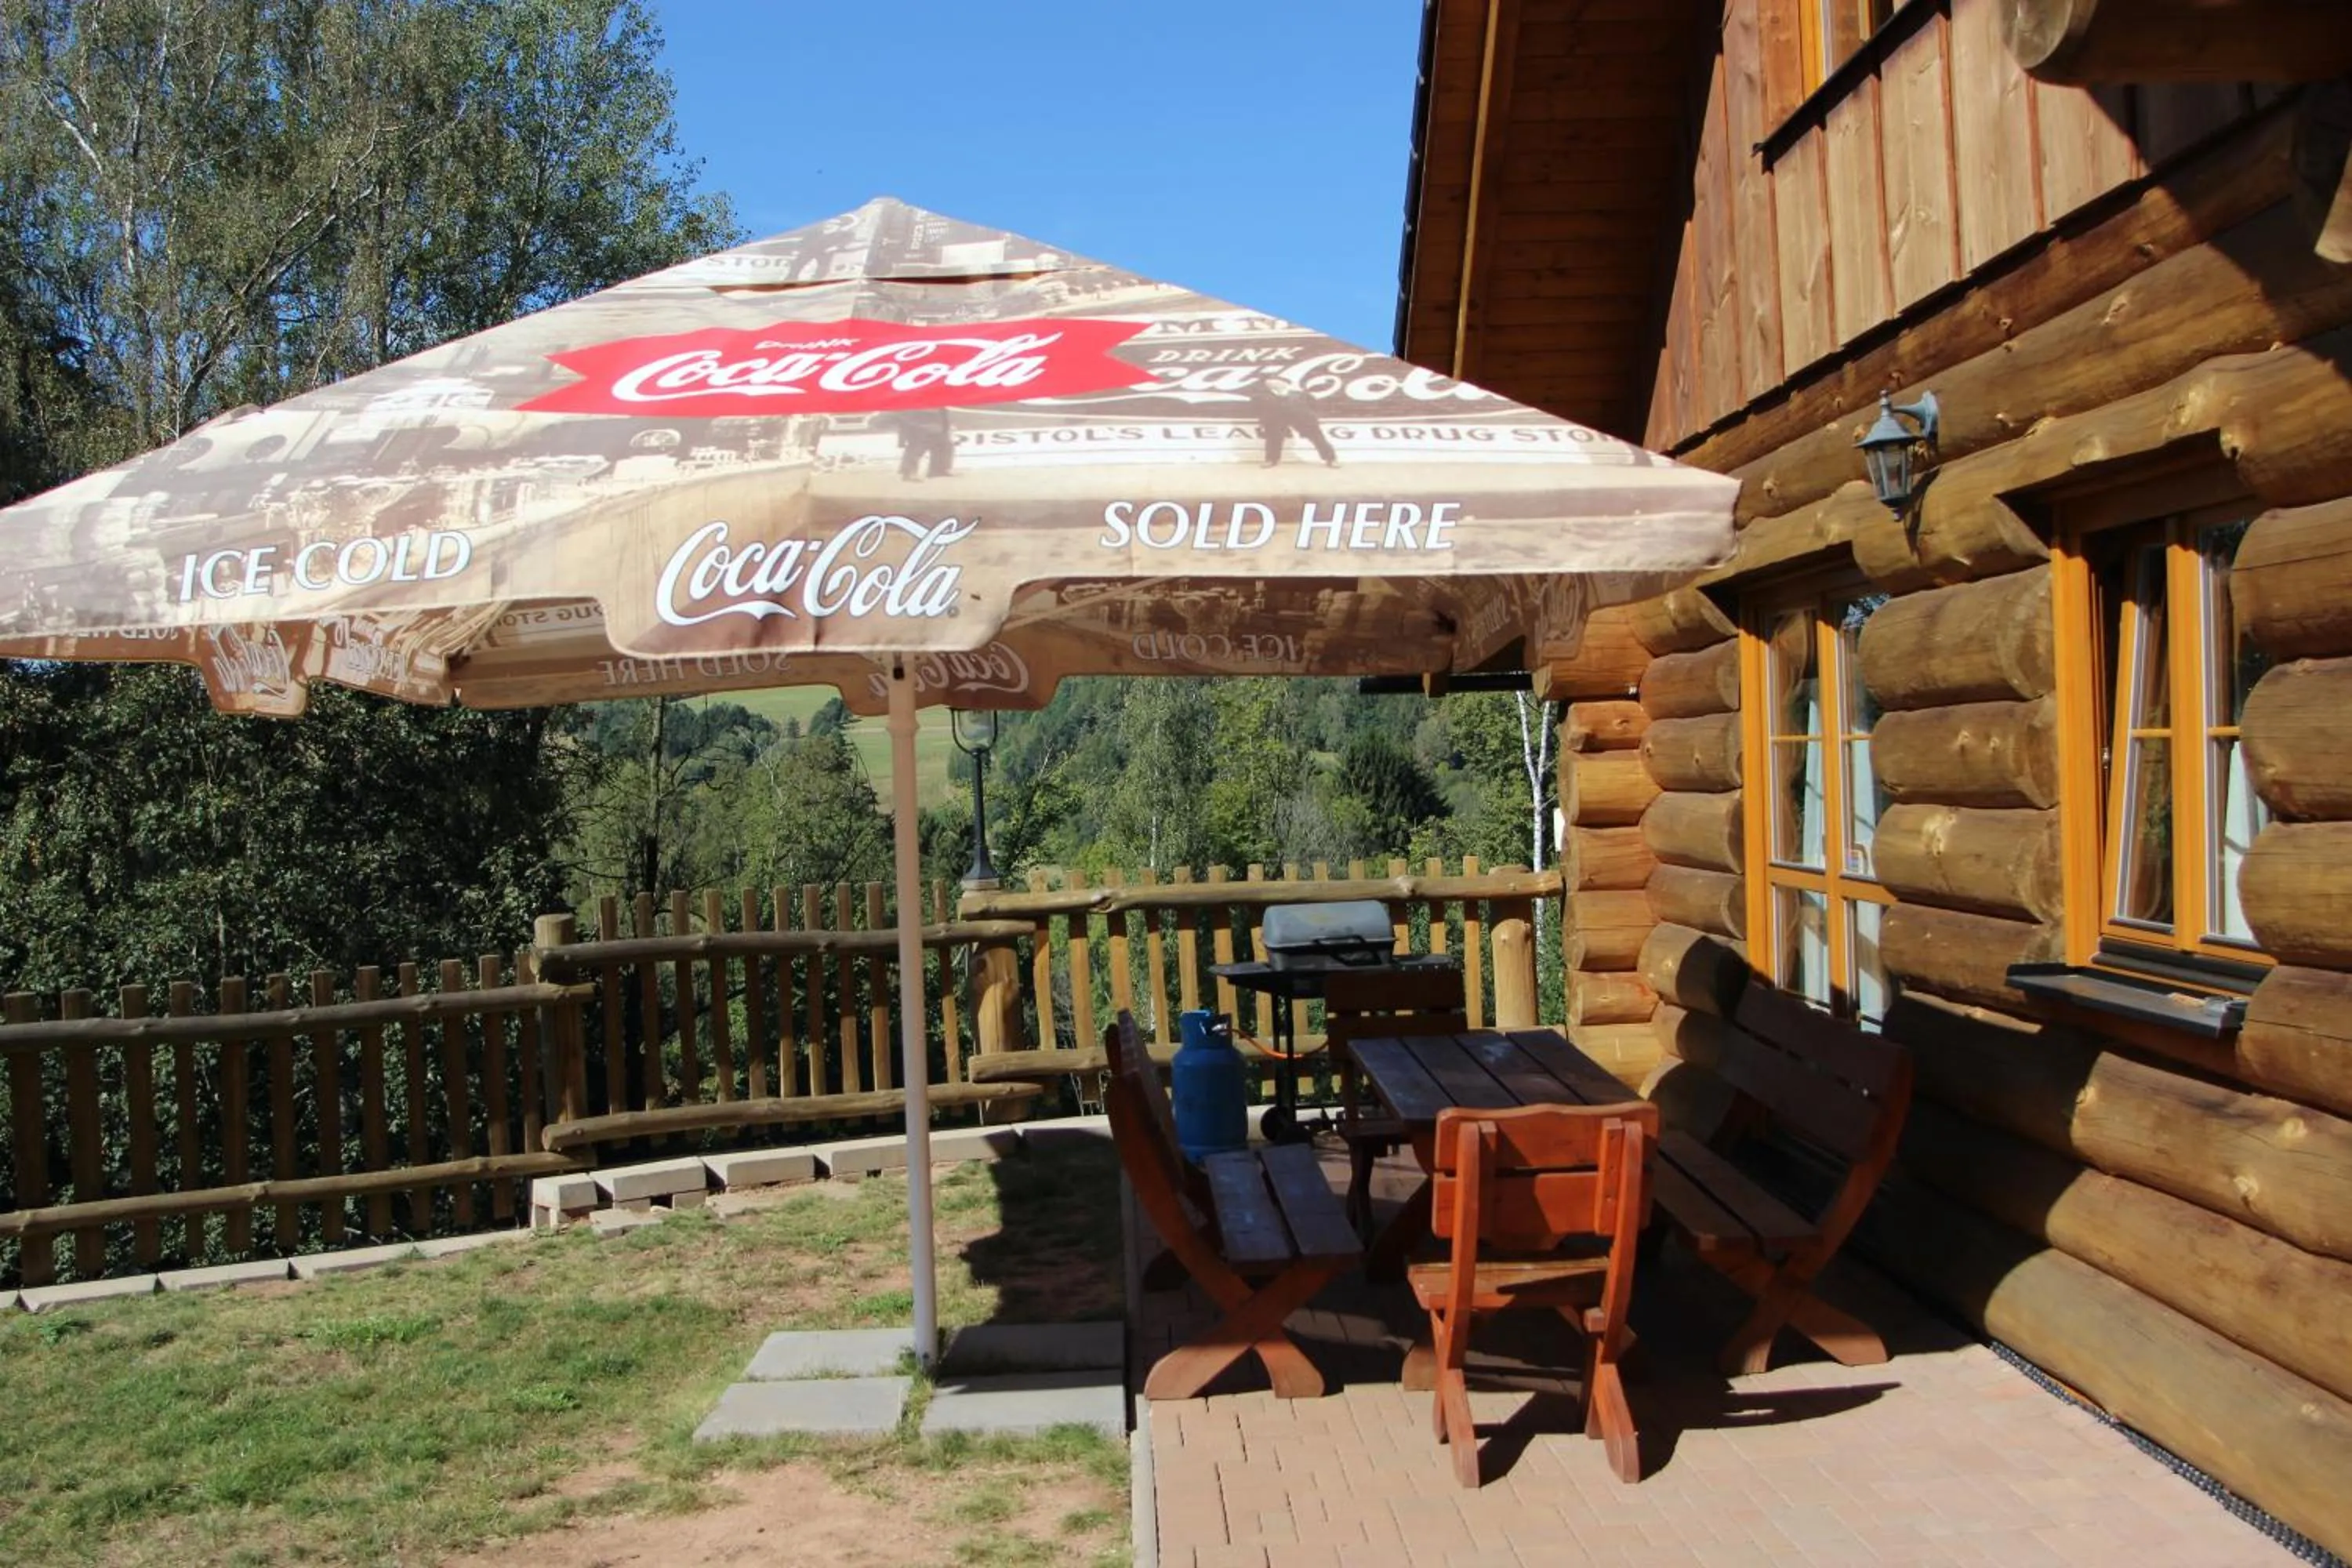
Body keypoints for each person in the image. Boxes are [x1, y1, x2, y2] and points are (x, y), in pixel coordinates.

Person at [1246, 375, 1338, 469]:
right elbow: (1255, 409)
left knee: (1317, 438)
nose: (1272, 384)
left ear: (1285, 383)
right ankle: (1271, 460)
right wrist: (1264, 419)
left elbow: (1314, 405)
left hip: (1303, 419)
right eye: (1269, 383)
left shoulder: (1301, 394)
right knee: (1273, 440)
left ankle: (1331, 459)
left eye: (1276, 381)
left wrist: (1312, 417)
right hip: (1275, 419)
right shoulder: (1260, 396)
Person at [884, 405, 955, 481]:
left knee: (944, 443)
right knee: (917, 445)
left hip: (937, 415)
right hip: (917, 414)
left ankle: (939, 470)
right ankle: (909, 472)